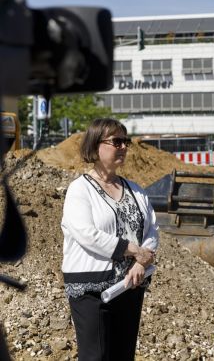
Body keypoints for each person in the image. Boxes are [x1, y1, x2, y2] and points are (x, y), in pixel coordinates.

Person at [61, 118, 158, 360]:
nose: (124, 147)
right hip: (91, 289)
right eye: (116, 141)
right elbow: (86, 233)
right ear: (95, 147)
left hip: (130, 284)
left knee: (122, 355)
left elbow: (152, 229)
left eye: (126, 141)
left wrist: (140, 262)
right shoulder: (80, 189)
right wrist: (132, 250)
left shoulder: (136, 190)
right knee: (95, 355)